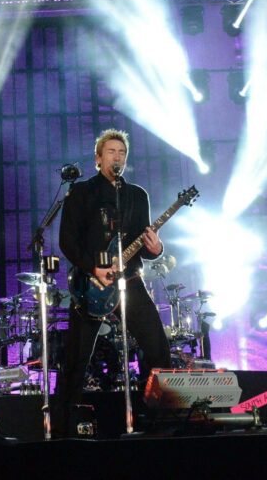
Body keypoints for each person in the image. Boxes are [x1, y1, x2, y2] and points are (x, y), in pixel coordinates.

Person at [54, 129, 171, 435]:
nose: (116, 157)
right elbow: (67, 241)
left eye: (121, 152)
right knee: (76, 360)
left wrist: (156, 248)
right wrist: (93, 268)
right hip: (91, 284)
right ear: (98, 158)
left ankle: (156, 419)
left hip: (129, 280)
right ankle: (63, 427)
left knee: (158, 349)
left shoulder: (137, 196)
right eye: (110, 152)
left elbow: (144, 248)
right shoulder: (81, 193)